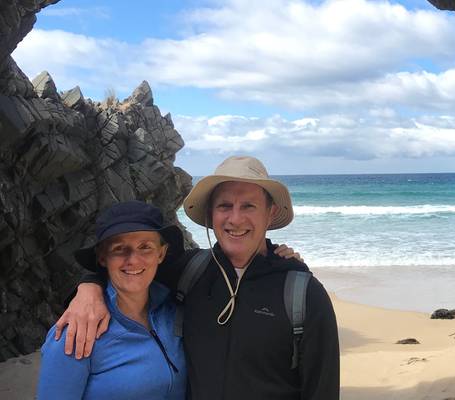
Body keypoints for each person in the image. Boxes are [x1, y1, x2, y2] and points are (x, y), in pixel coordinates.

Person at [59, 156, 340, 400]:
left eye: (249, 206)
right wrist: (88, 289)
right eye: (225, 206)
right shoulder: (189, 271)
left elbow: (322, 390)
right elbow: (126, 269)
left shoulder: (303, 294)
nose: (235, 218)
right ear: (210, 214)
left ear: (271, 213)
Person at [37, 201, 188, 399]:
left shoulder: (175, 310)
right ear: (102, 257)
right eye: (119, 248)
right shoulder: (77, 332)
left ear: (161, 253)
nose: (133, 259)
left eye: (145, 247)